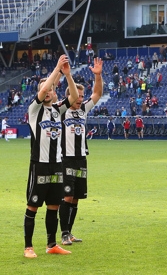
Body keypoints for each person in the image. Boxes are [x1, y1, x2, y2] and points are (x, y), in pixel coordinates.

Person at [23, 55, 79, 258]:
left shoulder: (58, 110)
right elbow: (44, 89)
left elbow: (73, 97)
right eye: (45, 89)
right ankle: (28, 247)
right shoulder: (34, 110)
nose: (48, 92)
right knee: (33, 205)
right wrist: (56, 69)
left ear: (55, 93)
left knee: (53, 206)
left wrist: (68, 75)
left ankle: (51, 244)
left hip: (57, 165)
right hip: (40, 165)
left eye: (51, 90)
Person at [58, 57, 103, 246]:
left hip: (81, 158)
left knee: (76, 197)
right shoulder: (61, 110)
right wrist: (68, 76)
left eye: (82, 97)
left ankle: (70, 232)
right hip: (66, 158)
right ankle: (64, 233)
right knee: (67, 195)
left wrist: (98, 76)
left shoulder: (83, 109)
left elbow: (98, 94)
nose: (80, 99)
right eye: (77, 96)